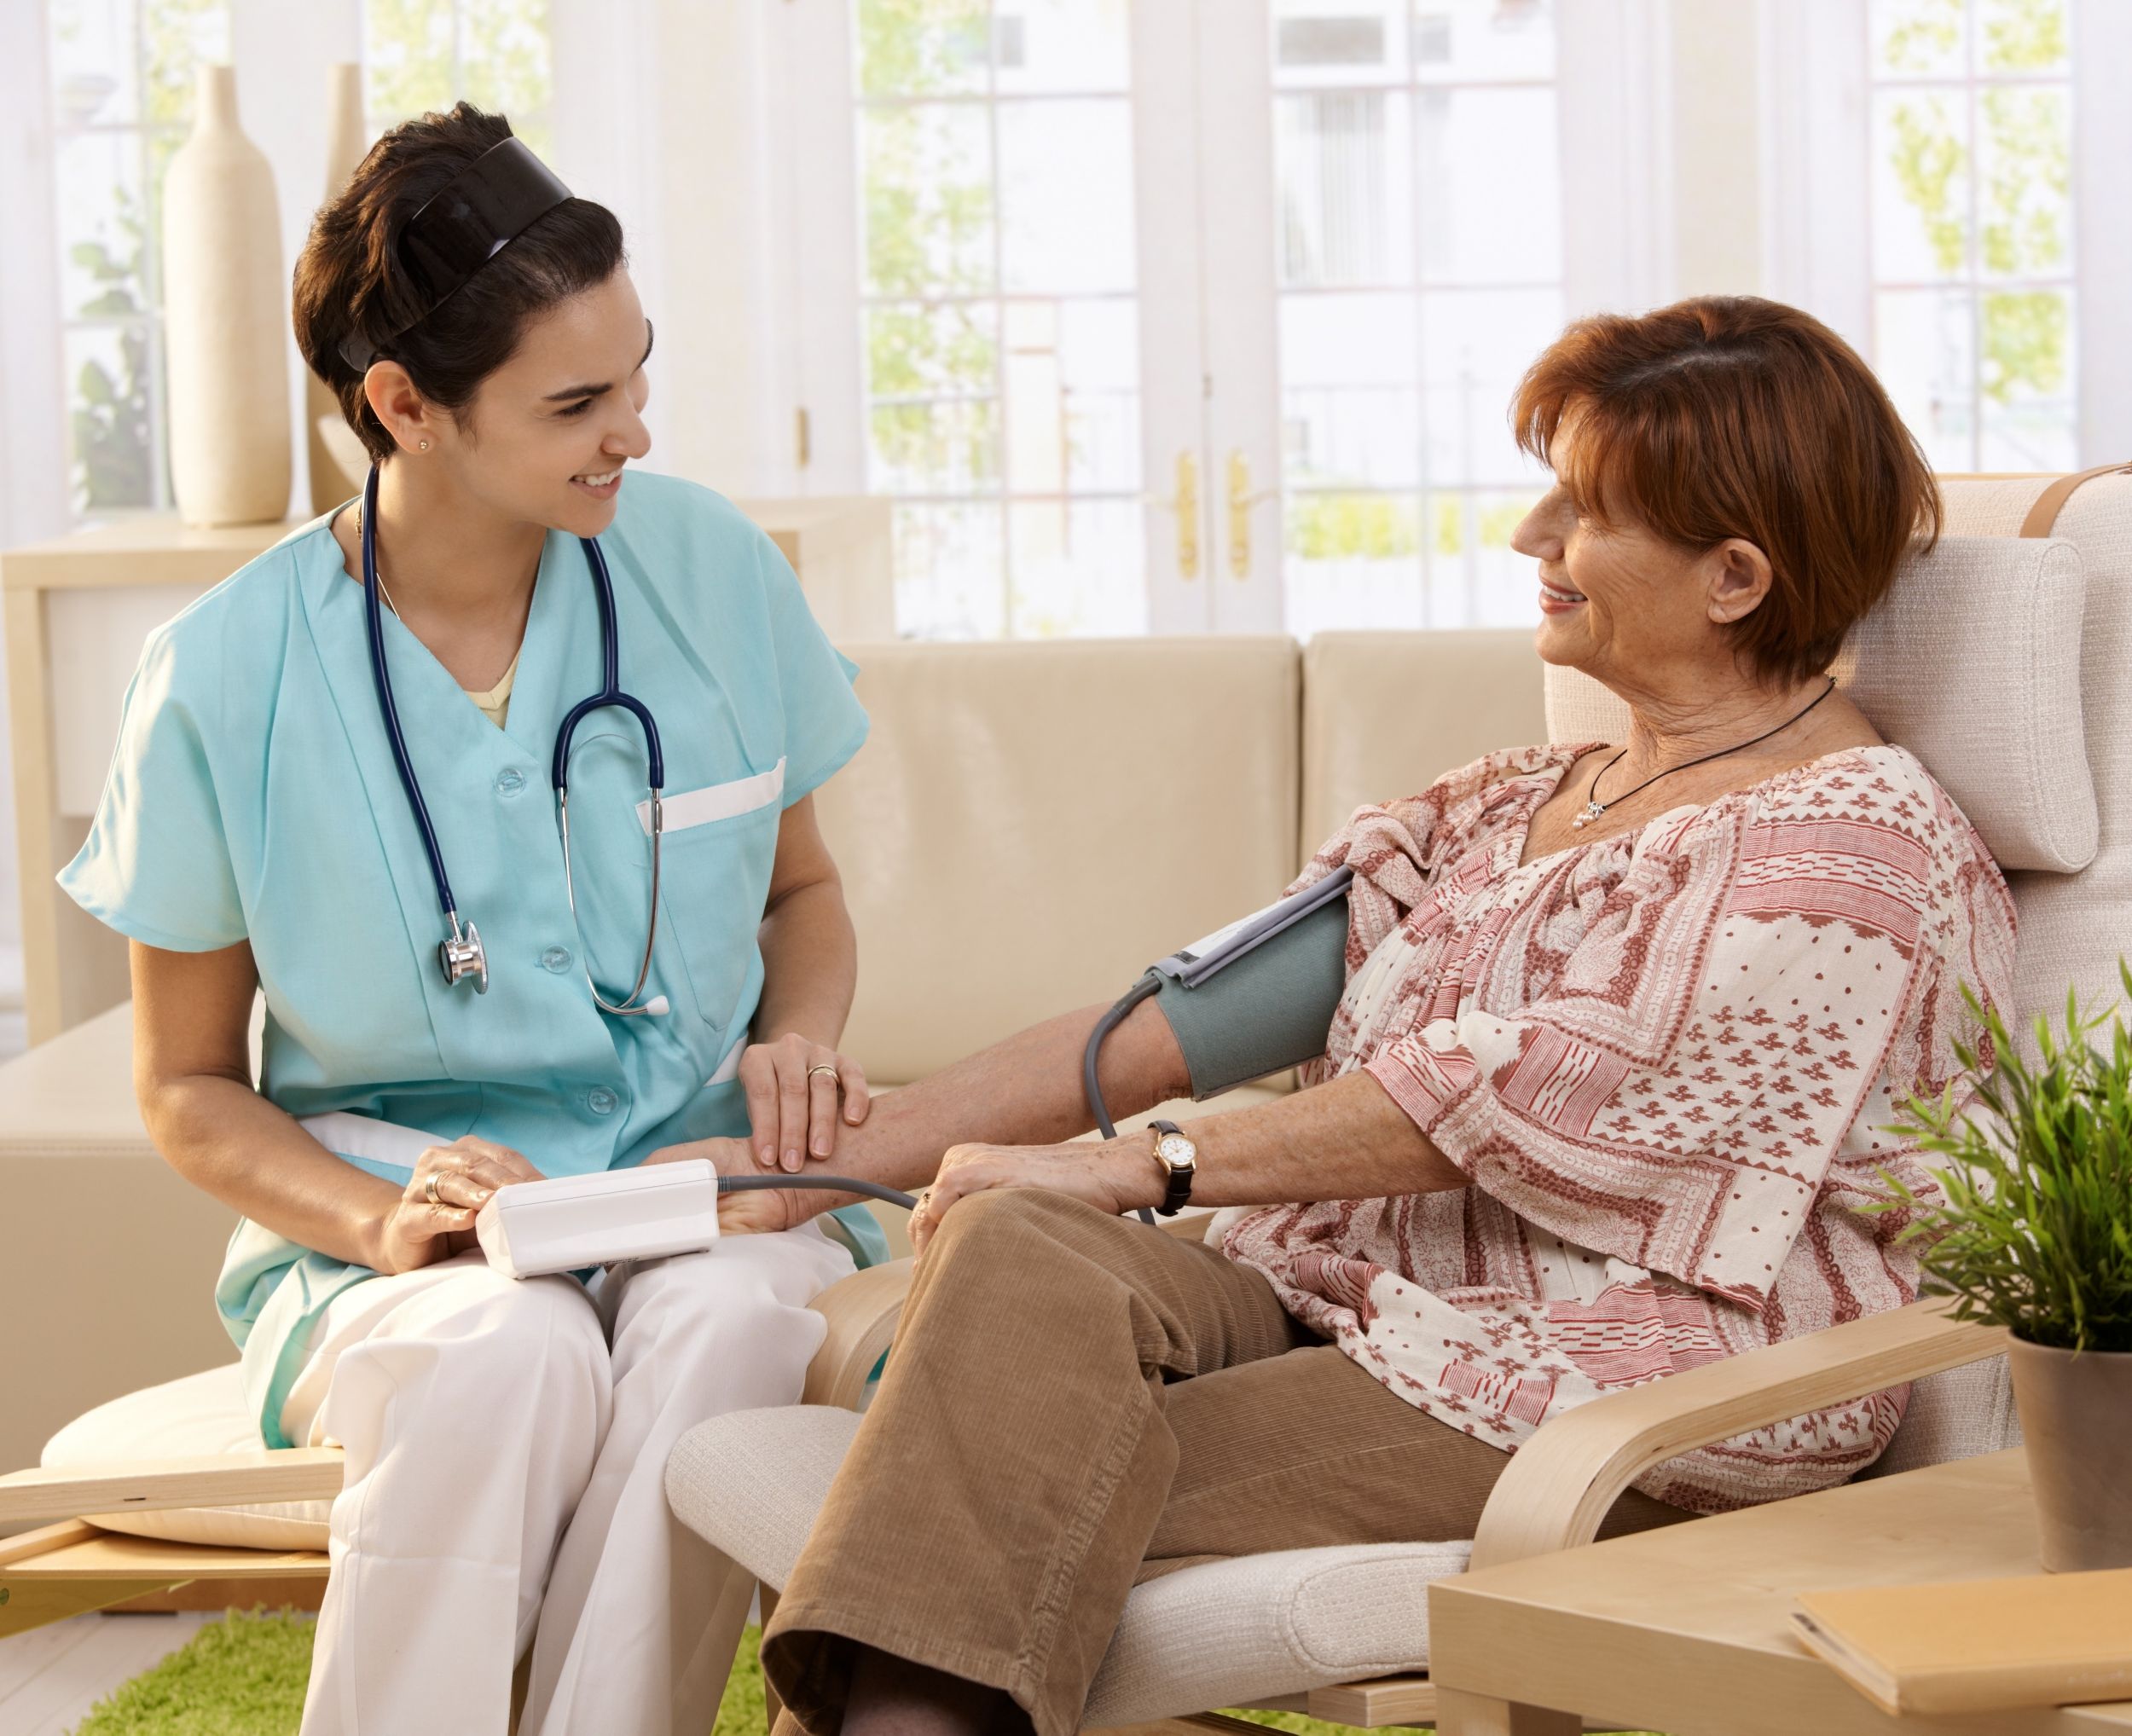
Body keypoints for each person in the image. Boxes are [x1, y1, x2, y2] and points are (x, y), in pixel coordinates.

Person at [673, 297, 2019, 1736]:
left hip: (1603, 1373)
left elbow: (1525, 1092)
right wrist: (772, 1177)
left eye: (1585, 510)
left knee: (985, 1488)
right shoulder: (1506, 804)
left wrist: (1149, 1163)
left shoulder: (1845, 852)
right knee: (1014, 1250)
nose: (1530, 538)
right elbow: (1185, 1018)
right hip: (1353, 1298)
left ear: (1735, 578)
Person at [58, 104, 886, 1736]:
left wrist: (795, 1044)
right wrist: (377, 1223)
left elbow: (806, 896)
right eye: (578, 403)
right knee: (514, 1354)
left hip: (705, 1190)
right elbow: (188, 1086)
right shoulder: (223, 677)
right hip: (391, 1229)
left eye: (638, 373)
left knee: (717, 1325)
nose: (633, 432)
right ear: (403, 406)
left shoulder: (713, 573)